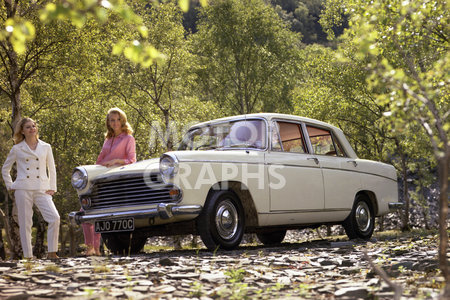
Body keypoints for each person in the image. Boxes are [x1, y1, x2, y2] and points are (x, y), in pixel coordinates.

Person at [2, 118, 60, 259]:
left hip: (42, 188)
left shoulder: (46, 147)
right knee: (25, 223)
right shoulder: (17, 148)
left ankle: (52, 252)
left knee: (54, 218)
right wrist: (10, 185)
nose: (32, 128)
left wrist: (52, 187)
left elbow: (51, 168)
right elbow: (5, 169)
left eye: (33, 126)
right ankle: (28, 257)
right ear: (22, 131)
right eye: (28, 127)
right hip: (23, 188)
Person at [82, 107, 136, 256]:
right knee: (85, 212)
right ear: (108, 122)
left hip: (116, 180)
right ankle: (91, 248)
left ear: (123, 120)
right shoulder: (108, 139)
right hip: (100, 178)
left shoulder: (128, 138)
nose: (115, 122)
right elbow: (100, 160)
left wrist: (117, 160)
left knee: (100, 212)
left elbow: (132, 160)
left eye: (118, 119)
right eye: (112, 120)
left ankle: (97, 249)